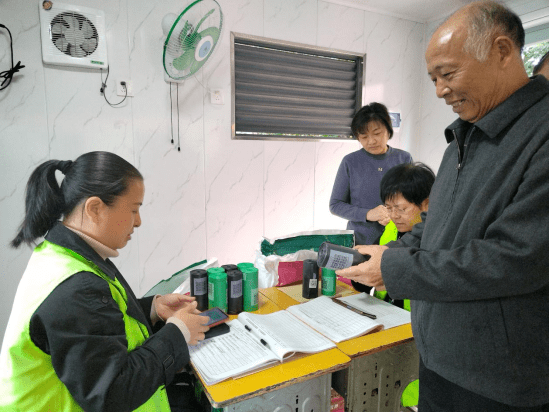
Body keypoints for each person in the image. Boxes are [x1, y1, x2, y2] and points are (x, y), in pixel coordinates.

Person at [337, 2, 549, 411]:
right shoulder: (465, 137)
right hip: (438, 360)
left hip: (498, 380)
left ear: (502, 51)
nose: (439, 91)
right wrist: (391, 252)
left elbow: (516, 258)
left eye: (448, 74)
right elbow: (437, 224)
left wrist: (395, 268)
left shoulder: (540, 135)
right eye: (433, 78)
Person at [0, 151, 210, 411]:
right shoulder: (76, 287)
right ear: (95, 208)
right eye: (133, 210)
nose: (139, 221)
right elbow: (112, 393)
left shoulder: (64, 256)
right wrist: (177, 333)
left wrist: (152, 309)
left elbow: (94, 325)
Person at [329, 102, 412, 246]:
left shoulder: (403, 159)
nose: (371, 141)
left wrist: (394, 214)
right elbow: (335, 205)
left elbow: (413, 200)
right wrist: (368, 214)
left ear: (388, 130)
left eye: (377, 133)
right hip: (361, 241)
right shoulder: (350, 162)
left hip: (399, 240)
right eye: (364, 136)